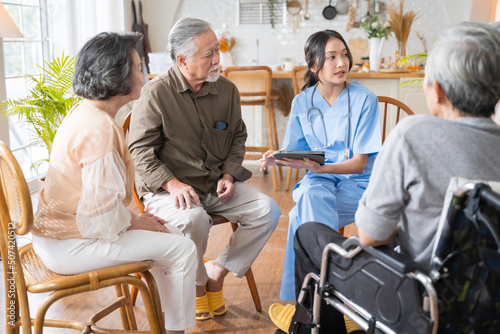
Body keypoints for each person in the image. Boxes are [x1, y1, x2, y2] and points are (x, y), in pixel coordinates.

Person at [273, 22, 500, 334]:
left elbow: (369, 235)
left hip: (413, 299)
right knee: (310, 200)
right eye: (331, 57)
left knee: (306, 231)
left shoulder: (414, 134)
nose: (341, 63)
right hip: (485, 308)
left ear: (437, 91)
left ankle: (314, 315)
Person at [32, 32, 197, 334]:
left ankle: (164, 319)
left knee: (172, 234)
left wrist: (137, 220)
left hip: (56, 234)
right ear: (117, 76)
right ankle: (176, 330)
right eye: (136, 66)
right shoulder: (100, 131)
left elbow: (99, 207)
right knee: (182, 249)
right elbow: (101, 220)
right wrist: (136, 221)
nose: (142, 72)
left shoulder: (83, 110)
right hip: (69, 244)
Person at [128, 16, 281, 320]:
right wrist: (172, 183)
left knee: (268, 210)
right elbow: (140, 151)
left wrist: (228, 174)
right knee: (195, 218)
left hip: (214, 184)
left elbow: (237, 136)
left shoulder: (226, 90)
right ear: (183, 60)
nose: (217, 59)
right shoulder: (156, 94)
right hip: (168, 189)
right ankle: (197, 286)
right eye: (208, 53)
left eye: (217, 50)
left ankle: (216, 272)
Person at [261, 29, 382, 303]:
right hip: (322, 180)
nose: (342, 63)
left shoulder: (365, 99)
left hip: (360, 183)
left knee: (299, 214)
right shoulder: (302, 102)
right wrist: (278, 156)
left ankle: (306, 300)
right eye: (331, 57)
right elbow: (298, 152)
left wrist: (321, 170)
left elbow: (359, 163)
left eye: (344, 55)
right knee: (309, 194)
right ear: (314, 66)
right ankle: (329, 295)